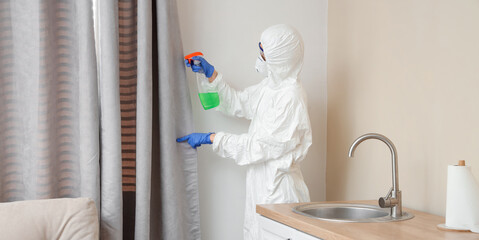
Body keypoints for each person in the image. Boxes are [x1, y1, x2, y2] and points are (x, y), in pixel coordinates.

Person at [177, 24, 312, 240]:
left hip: (279, 192)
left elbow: (258, 147)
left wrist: (213, 138)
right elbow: (238, 103)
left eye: (263, 53)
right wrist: (211, 75)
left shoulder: (291, 98)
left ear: (279, 60)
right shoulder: (270, 87)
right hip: (262, 187)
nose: (259, 57)